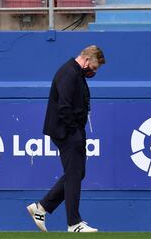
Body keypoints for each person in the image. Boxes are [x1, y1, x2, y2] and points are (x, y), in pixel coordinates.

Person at [27, 45, 105, 233]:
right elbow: (64, 107)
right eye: (93, 68)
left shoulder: (75, 73)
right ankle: (74, 223)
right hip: (67, 132)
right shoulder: (68, 73)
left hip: (71, 131)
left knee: (77, 173)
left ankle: (42, 207)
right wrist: (74, 133)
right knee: (74, 174)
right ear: (87, 60)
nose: (93, 72)